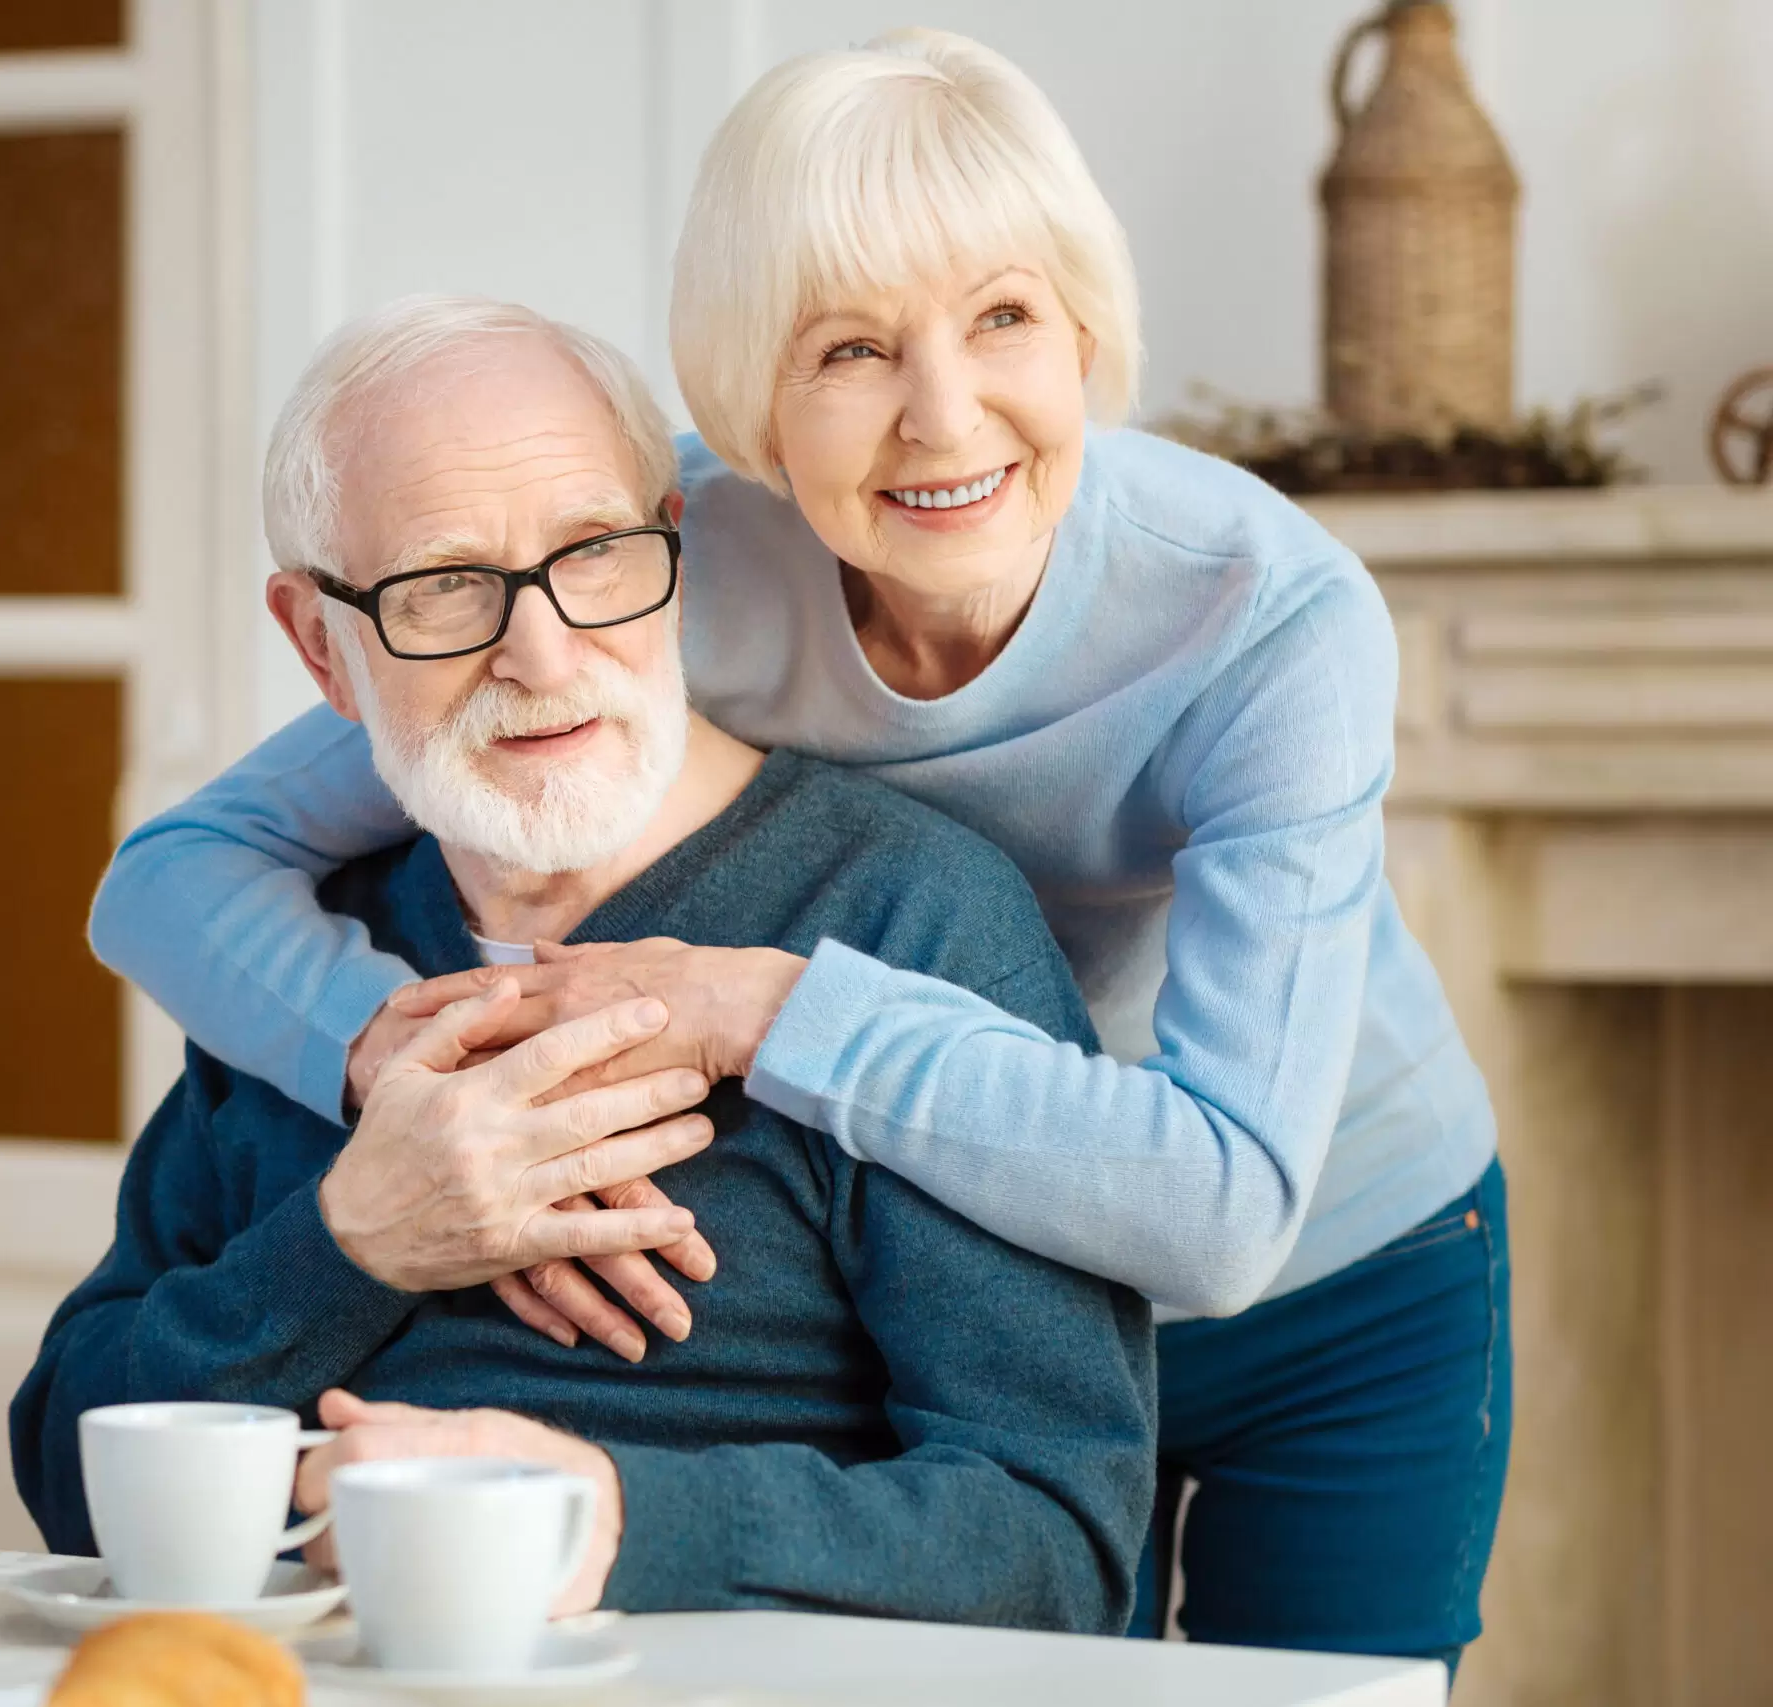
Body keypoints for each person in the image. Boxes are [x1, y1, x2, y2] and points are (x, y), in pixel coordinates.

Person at [85, 29, 1508, 1672]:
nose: (941, 414)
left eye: (1005, 316)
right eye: (848, 348)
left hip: (1324, 1248)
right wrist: (413, 1086)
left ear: (1085, 328)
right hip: (983, 1242)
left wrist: (767, 1008)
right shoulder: (640, 568)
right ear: (754, 392)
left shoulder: (1270, 618)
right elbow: (179, 873)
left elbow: (1223, 1215)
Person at [12, 297, 1155, 1628]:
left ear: (671, 546)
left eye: (594, 553)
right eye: (445, 585)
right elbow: (64, 1465)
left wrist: (616, 1520)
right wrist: (354, 1241)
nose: (541, 654)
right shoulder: (301, 958)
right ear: (322, 644)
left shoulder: (908, 913)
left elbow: (1059, 1538)